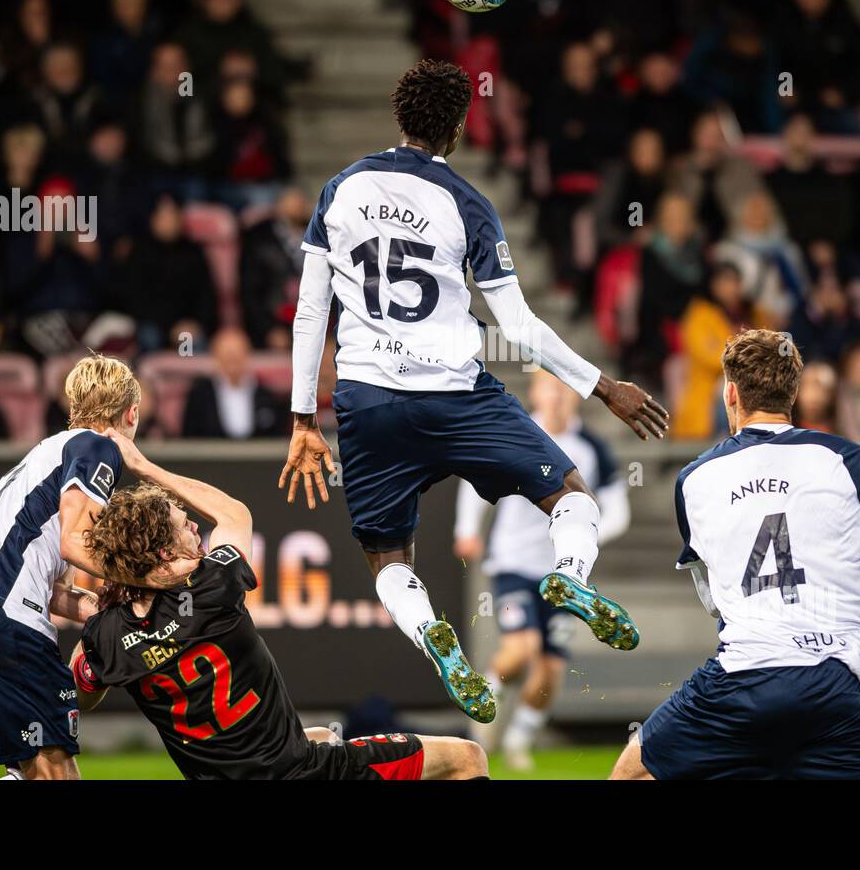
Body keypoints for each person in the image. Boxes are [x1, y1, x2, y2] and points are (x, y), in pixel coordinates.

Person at [282, 59, 668, 723]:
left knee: (387, 558)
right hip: (459, 396)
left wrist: (300, 419)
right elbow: (518, 327)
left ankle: (435, 636)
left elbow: (309, 313)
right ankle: (571, 578)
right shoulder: (467, 203)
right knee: (570, 493)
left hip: (368, 402)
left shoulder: (339, 190)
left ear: (400, 117)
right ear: (460, 126)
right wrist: (603, 386)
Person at [611, 329, 860, 780]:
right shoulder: (854, 461)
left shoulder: (693, 478)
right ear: (795, 393)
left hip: (745, 677)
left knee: (634, 772)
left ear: (731, 393)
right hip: (841, 682)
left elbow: (713, 599)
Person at [74, 433, 488, 781]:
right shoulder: (210, 587)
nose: (195, 527)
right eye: (185, 526)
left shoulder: (105, 636)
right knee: (467, 759)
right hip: (296, 773)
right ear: (165, 554)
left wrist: (99, 611)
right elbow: (232, 513)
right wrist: (146, 467)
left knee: (325, 735)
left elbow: (86, 689)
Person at [0, 354, 191, 780]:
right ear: (132, 412)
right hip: (1, 621)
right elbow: (73, 543)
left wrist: (108, 614)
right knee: (57, 776)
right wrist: (151, 582)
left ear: (73, 409)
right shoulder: (98, 446)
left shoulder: (42, 456)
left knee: (32, 772)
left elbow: (49, 588)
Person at [453, 370, 630, 769]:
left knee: (549, 672)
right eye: (550, 387)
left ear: (577, 397)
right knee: (522, 649)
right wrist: (466, 529)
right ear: (535, 391)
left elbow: (618, 509)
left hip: (565, 576)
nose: (557, 397)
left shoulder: (591, 449)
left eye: (565, 389)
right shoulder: (516, 431)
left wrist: (587, 535)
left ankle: (518, 741)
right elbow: (475, 479)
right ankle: (485, 706)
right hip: (513, 563)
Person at [182, 326, 289, 438]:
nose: (232, 359)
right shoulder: (199, 396)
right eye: (226, 354)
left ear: (247, 355)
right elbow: (189, 437)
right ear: (216, 357)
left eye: (237, 354)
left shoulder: (267, 396)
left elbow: (277, 437)